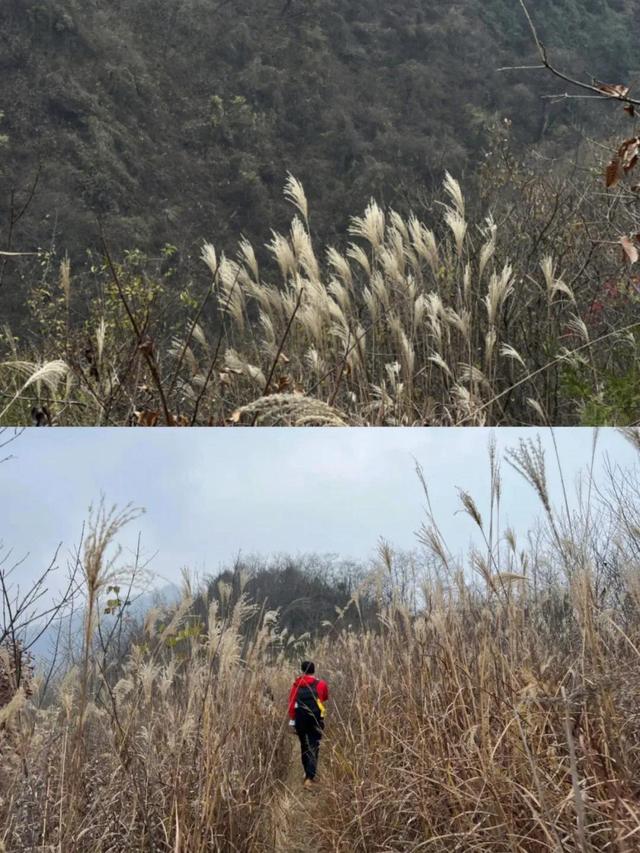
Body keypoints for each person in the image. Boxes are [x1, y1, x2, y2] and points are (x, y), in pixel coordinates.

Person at [288, 660, 329, 788]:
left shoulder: (296, 685)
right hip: (316, 720)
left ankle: (307, 773)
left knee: (304, 746)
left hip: (300, 720)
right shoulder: (321, 684)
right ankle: (310, 777)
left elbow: (291, 705)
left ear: (302, 670)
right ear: (314, 670)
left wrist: (294, 719)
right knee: (314, 745)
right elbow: (325, 698)